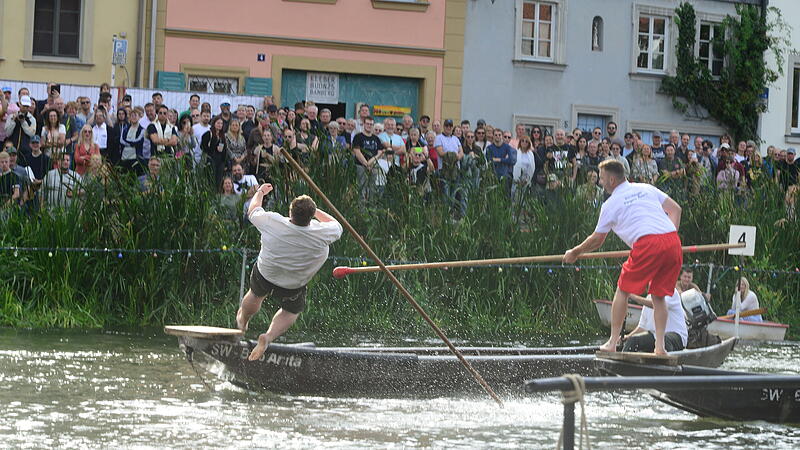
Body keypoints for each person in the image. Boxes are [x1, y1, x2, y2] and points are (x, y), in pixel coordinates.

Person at [563, 160, 683, 355]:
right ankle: (659, 347)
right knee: (659, 295)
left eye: (602, 178)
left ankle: (611, 342)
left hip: (648, 243)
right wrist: (669, 236)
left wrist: (574, 253)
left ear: (611, 179)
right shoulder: (646, 188)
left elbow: (597, 240)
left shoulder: (610, 204)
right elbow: (676, 209)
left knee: (622, 290)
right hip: (672, 241)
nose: (601, 183)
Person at [236, 185, 343, 360]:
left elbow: (253, 210)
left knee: (255, 295)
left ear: (290, 212)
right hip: (294, 283)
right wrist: (314, 211)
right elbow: (336, 224)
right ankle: (268, 337)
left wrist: (260, 192)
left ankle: (243, 322)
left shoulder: (274, 221)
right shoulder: (323, 232)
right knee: (291, 311)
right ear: (311, 216)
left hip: (266, 273)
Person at [622, 288, 687, 352]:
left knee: (664, 340)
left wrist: (634, 297)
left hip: (677, 337)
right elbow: (642, 327)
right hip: (656, 338)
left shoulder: (671, 291)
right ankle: (622, 361)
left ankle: (664, 362)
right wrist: (628, 336)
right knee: (633, 340)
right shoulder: (648, 298)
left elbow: (658, 305)